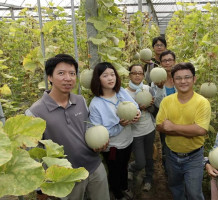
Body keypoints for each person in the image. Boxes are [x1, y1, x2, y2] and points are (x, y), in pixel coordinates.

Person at [25, 54, 110, 200]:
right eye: (61, 73)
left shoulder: (80, 100)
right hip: (65, 177)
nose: (68, 78)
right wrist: (40, 188)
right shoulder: (34, 112)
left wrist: (99, 143)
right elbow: (33, 153)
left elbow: (89, 130)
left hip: (94, 166)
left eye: (72, 73)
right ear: (49, 77)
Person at [156, 62, 211, 200]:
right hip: (171, 154)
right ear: (173, 81)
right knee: (175, 187)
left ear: (194, 79)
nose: (183, 81)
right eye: (178, 78)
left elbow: (200, 130)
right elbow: (159, 126)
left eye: (187, 77)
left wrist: (172, 127)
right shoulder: (166, 101)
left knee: (194, 193)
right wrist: (188, 130)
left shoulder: (202, 102)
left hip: (194, 157)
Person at [89, 62, 140, 200]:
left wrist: (137, 113)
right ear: (97, 79)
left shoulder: (121, 92)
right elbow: (99, 133)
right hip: (113, 147)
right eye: (105, 75)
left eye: (112, 74)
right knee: (114, 171)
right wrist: (120, 125)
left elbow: (134, 106)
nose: (110, 78)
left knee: (124, 166)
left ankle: (124, 187)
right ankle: (118, 194)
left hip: (127, 141)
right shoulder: (95, 104)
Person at [125, 64, 156, 192]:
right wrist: (136, 108)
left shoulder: (148, 89)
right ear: (130, 75)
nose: (137, 75)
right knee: (140, 161)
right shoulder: (124, 93)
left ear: (143, 75)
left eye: (140, 73)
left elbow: (154, 109)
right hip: (134, 132)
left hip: (149, 128)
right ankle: (131, 168)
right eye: (134, 73)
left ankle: (148, 179)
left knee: (149, 157)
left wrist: (148, 106)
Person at [152, 50, 177, 174]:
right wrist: (160, 89)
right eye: (164, 61)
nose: (167, 63)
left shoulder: (180, 78)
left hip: (181, 119)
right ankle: (168, 172)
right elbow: (157, 104)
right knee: (166, 146)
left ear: (174, 61)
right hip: (165, 121)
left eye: (170, 60)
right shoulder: (155, 81)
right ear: (160, 63)